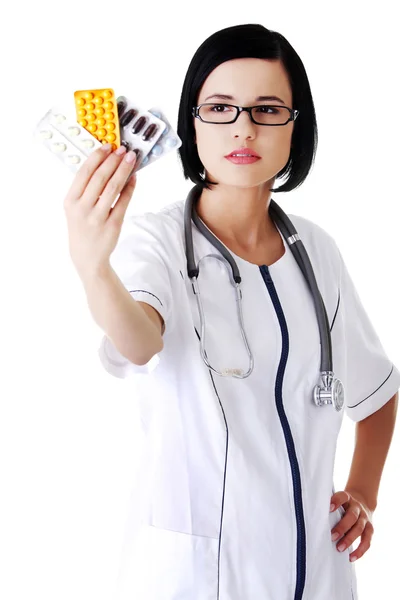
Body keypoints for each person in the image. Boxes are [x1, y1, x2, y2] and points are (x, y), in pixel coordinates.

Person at [63, 23, 400, 600]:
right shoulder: (158, 242)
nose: (243, 127)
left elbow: (378, 392)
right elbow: (139, 341)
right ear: (191, 122)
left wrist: (363, 494)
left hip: (316, 574)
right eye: (220, 107)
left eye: (268, 109)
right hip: (198, 578)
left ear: (298, 126)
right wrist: (94, 267)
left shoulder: (315, 250)